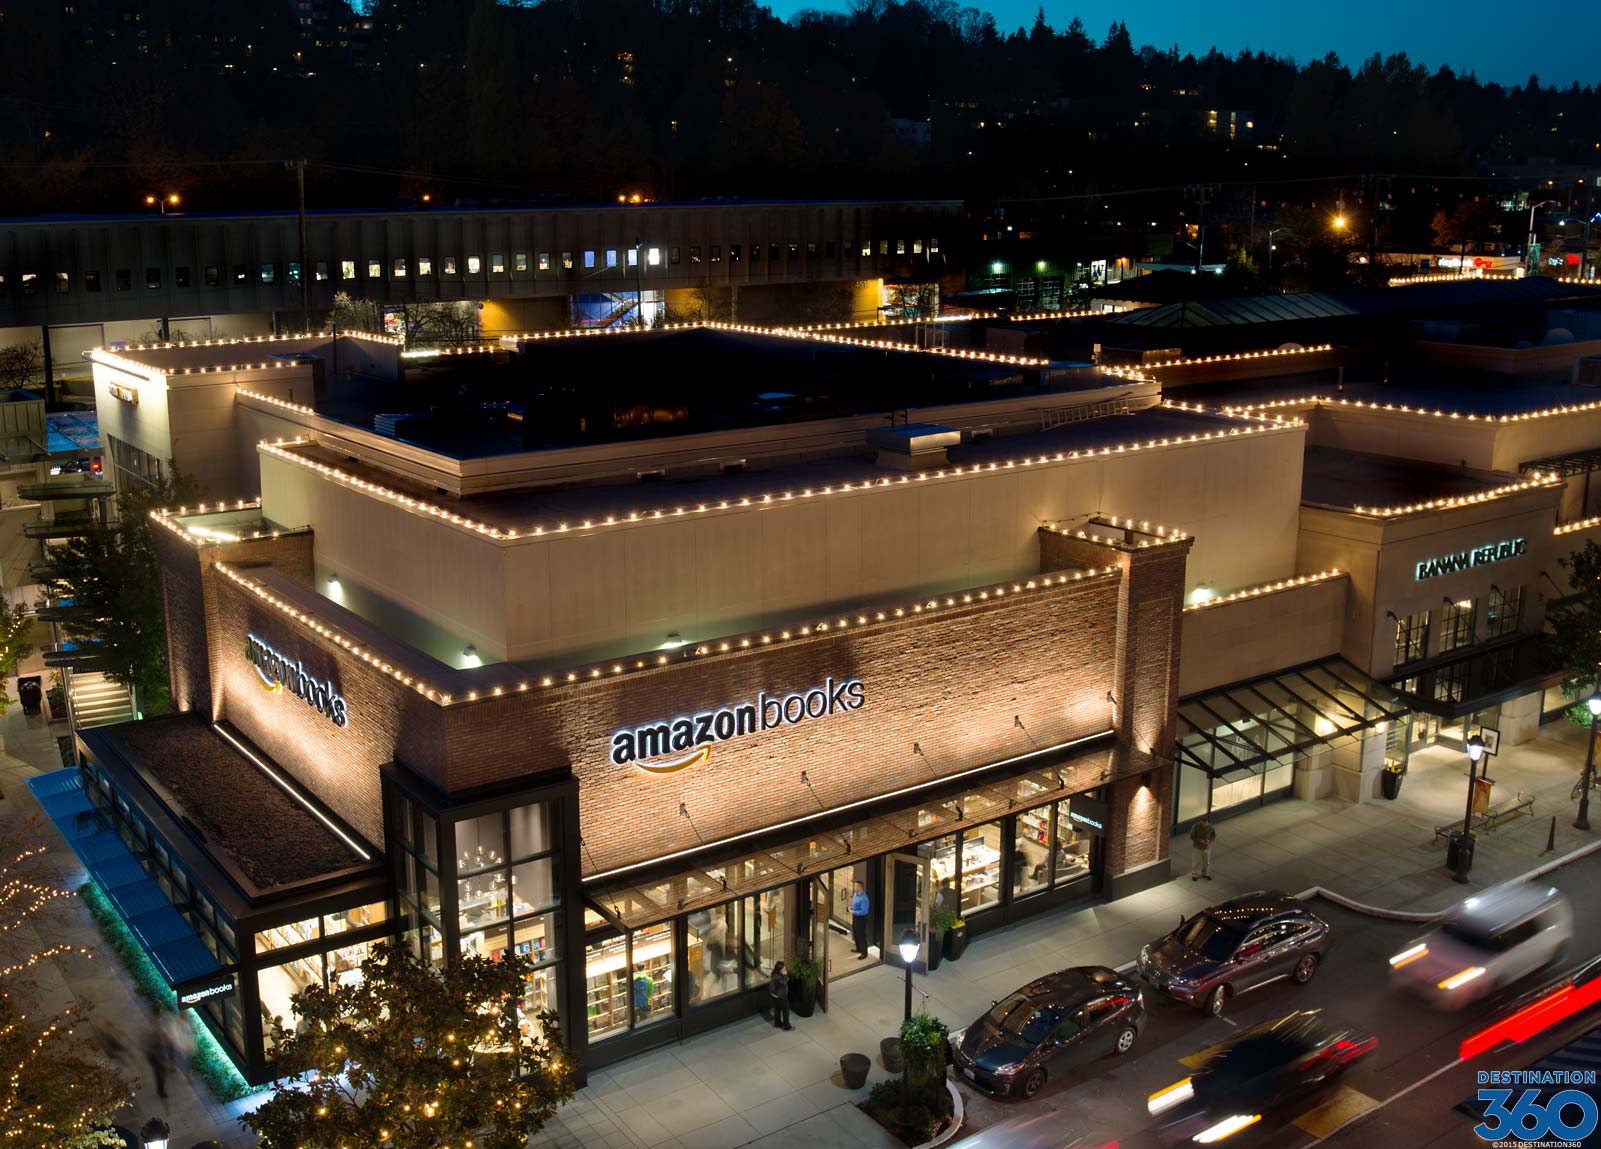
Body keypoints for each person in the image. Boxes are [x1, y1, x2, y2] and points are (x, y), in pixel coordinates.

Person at [144, 1018, 177, 1100]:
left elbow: (170, 1047)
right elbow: (154, 1053)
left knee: (161, 1075)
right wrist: (164, 1063)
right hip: (156, 1061)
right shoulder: (152, 1039)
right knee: (160, 1076)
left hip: (161, 1059)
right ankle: (160, 1091)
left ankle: (161, 1089)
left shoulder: (162, 1035)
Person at [1190, 813, 1216, 881]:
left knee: (1206, 862)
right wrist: (1199, 840)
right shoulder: (1196, 827)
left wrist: (1209, 840)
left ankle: (1206, 874)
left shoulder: (1210, 827)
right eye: (1203, 823)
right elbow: (1192, 836)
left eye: (1206, 822)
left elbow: (1213, 835)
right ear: (1201, 821)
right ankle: (1194, 874)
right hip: (1197, 847)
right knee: (1196, 862)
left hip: (1207, 847)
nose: (1205, 824)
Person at [849, 880, 871, 959]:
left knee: (861, 935)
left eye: (855, 886)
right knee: (855, 933)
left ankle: (864, 954)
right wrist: (850, 906)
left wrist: (853, 911)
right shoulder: (855, 894)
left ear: (860, 887)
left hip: (861, 918)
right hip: (855, 917)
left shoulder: (864, 899)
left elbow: (864, 911)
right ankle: (858, 948)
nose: (854, 887)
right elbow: (853, 902)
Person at [769, 961, 792, 1030]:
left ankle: (777, 1023)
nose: (785, 970)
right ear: (779, 969)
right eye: (783, 969)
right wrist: (785, 975)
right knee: (786, 1010)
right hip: (781, 996)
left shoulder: (774, 973)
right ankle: (787, 1026)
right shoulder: (778, 977)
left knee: (777, 1009)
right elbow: (785, 981)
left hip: (775, 995)